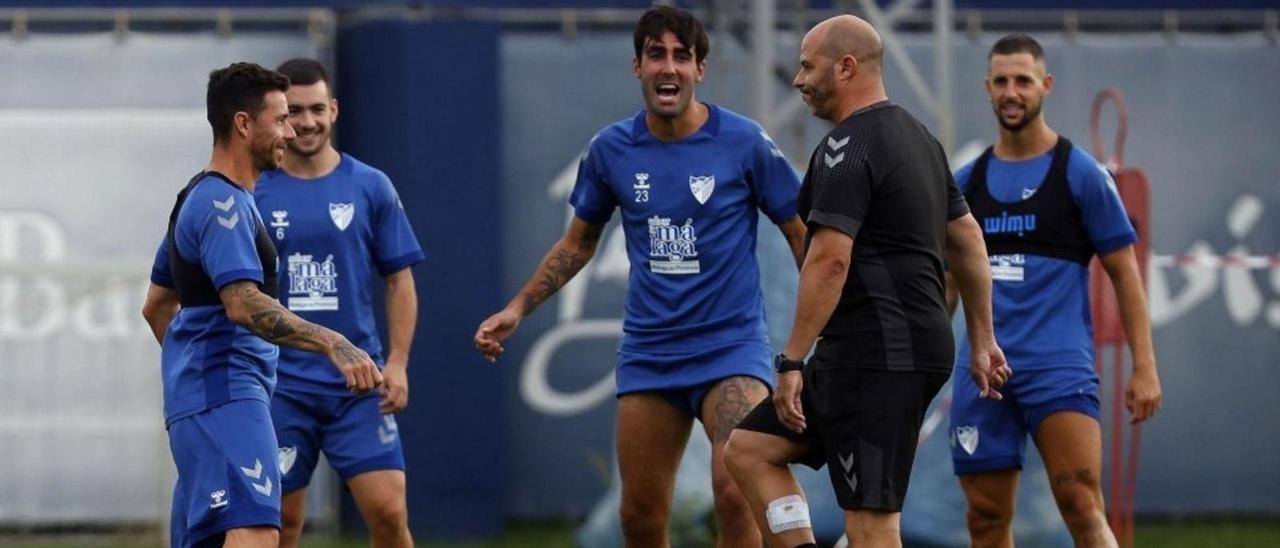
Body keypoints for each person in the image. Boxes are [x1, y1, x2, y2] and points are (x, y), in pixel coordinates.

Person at [473, 5, 806, 546]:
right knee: (641, 517)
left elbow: (800, 232)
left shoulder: (744, 143)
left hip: (732, 348)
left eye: (681, 56)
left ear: (700, 69)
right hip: (651, 355)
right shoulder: (611, 150)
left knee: (737, 491)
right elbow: (578, 243)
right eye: (656, 55)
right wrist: (517, 307)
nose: (668, 68)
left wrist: (818, 329)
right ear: (637, 66)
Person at [724, 15, 1009, 548]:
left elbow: (829, 261)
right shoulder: (920, 138)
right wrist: (983, 337)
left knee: (871, 526)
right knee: (750, 449)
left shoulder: (845, 147)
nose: (798, 79)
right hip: (877, 351)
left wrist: (790, 362)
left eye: (808, 66)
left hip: (879, 356)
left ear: (846, 66)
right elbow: (968, 237)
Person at [140, 62, 382, 548]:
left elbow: (156, 305)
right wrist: (336, 343)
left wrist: (192, 377)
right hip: (227, 398)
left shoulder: (200, 196)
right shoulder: (221, 206)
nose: (291, 132)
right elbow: (244, 304)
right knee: (256, 534)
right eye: (281, 119)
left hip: (209, 401)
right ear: (244, 124)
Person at [946, 33, 1163, 548]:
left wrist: (1145, 367)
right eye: (1001, 81)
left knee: (1082, 506)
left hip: (1057, 367)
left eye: (1023, 80)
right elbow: (947, 285)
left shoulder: (1080, 175)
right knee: (984, 516)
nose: (1012, 91)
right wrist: (919, 371)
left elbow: (1125, 274)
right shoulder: (964, 183)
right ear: (987, 88)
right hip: (981, 374)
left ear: (1046, 85)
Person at [255, 58, 423, 548]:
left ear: (334, 110)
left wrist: (398, 362)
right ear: (280, 117)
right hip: (280, 384)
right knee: (280, 524)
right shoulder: (255, 189)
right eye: (295, 112)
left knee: (389, 514)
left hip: (359, 383)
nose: (306, 122)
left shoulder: (370, 186)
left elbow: (400, 280)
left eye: (316, 109)